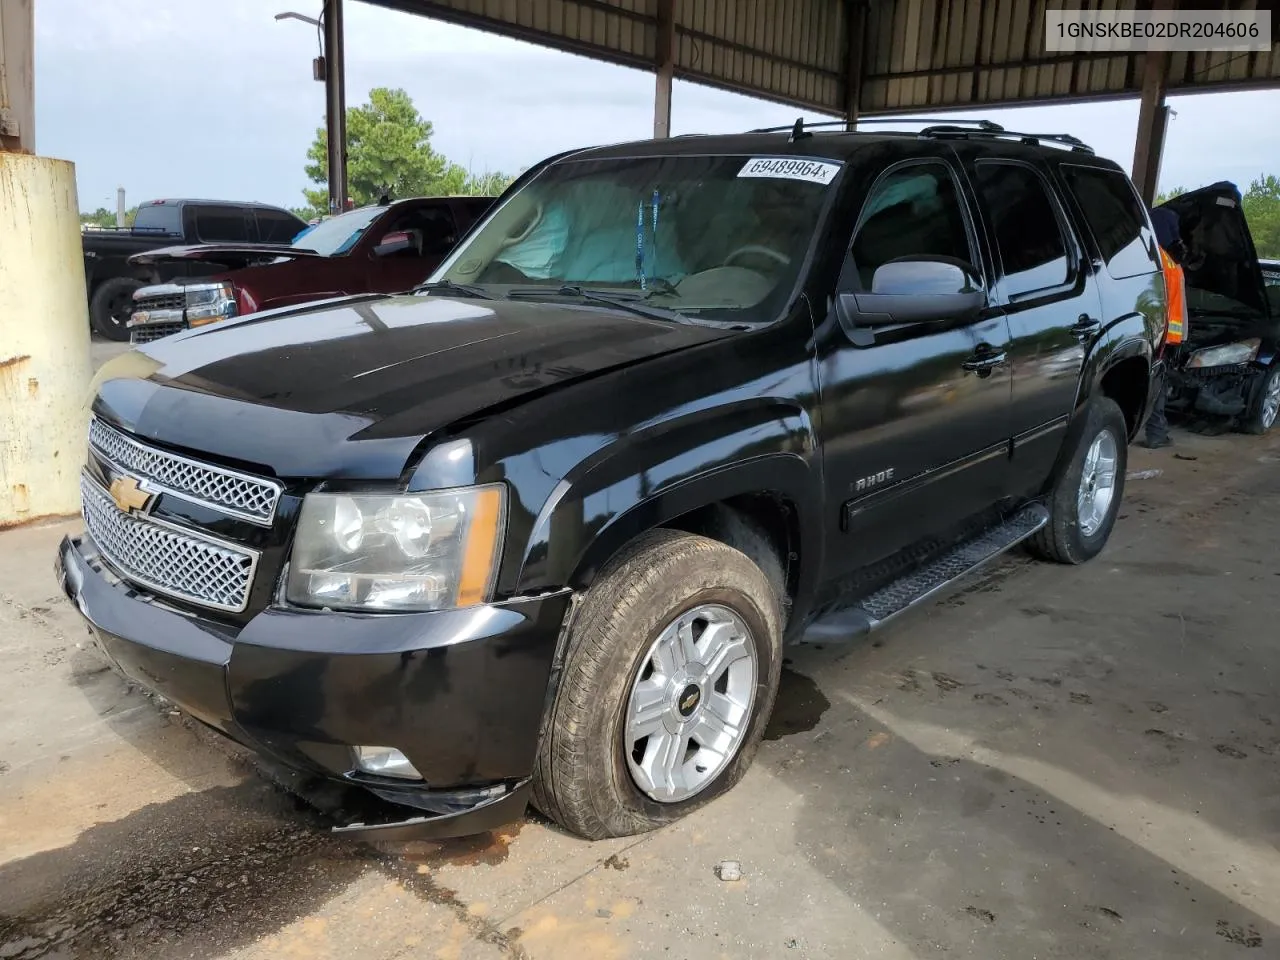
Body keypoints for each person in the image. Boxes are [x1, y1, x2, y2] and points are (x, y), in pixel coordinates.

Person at [1141, 204, 1186, 449]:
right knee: (1157, 385)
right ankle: (1156, 433)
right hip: (1163, 336)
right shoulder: (1168, 262)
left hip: (1156, 334)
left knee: (1154, 384)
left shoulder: (1152, 257)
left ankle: (1156, 431)